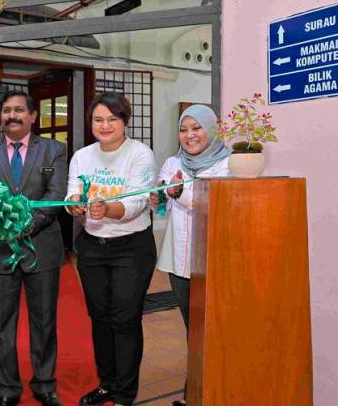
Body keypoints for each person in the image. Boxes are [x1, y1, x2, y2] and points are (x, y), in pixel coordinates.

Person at [0, 91, 67, 406]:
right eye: (7, 110)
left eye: (20, 110)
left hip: (42, 247)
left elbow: (56, 194)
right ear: (1, 116)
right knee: (1, 322)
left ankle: (45, 385)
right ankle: (7, 389)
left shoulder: (55, 150)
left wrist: (22, 225)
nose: (13, 115)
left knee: (44, 320)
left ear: (33, 116)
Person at [66, 92, 157, 406]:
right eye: (98, 119)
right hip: (92, 248)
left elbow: (138, 200)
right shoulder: (82, 156)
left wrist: (110, 209)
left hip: (131, 248)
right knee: (100, 318)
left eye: (112, 119)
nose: (105, 125)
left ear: (124, 121)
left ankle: (124, 394)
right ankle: (107, 383)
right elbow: (72, 194)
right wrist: (75, 206)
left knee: (125, 319)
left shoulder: (140, 154)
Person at [151, 104, 231, 406]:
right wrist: (156, 195)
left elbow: (214, 205)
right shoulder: (173, 161)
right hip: (179, 260)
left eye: (196, 128)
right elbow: (160, 205)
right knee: (192, 328)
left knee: (213, 329)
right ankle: (195, 392)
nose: (189, 135)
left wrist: (177, 192)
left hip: (211, 260)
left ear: (211, 129)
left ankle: (214, 391)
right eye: (184, 130)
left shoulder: (228, 164)